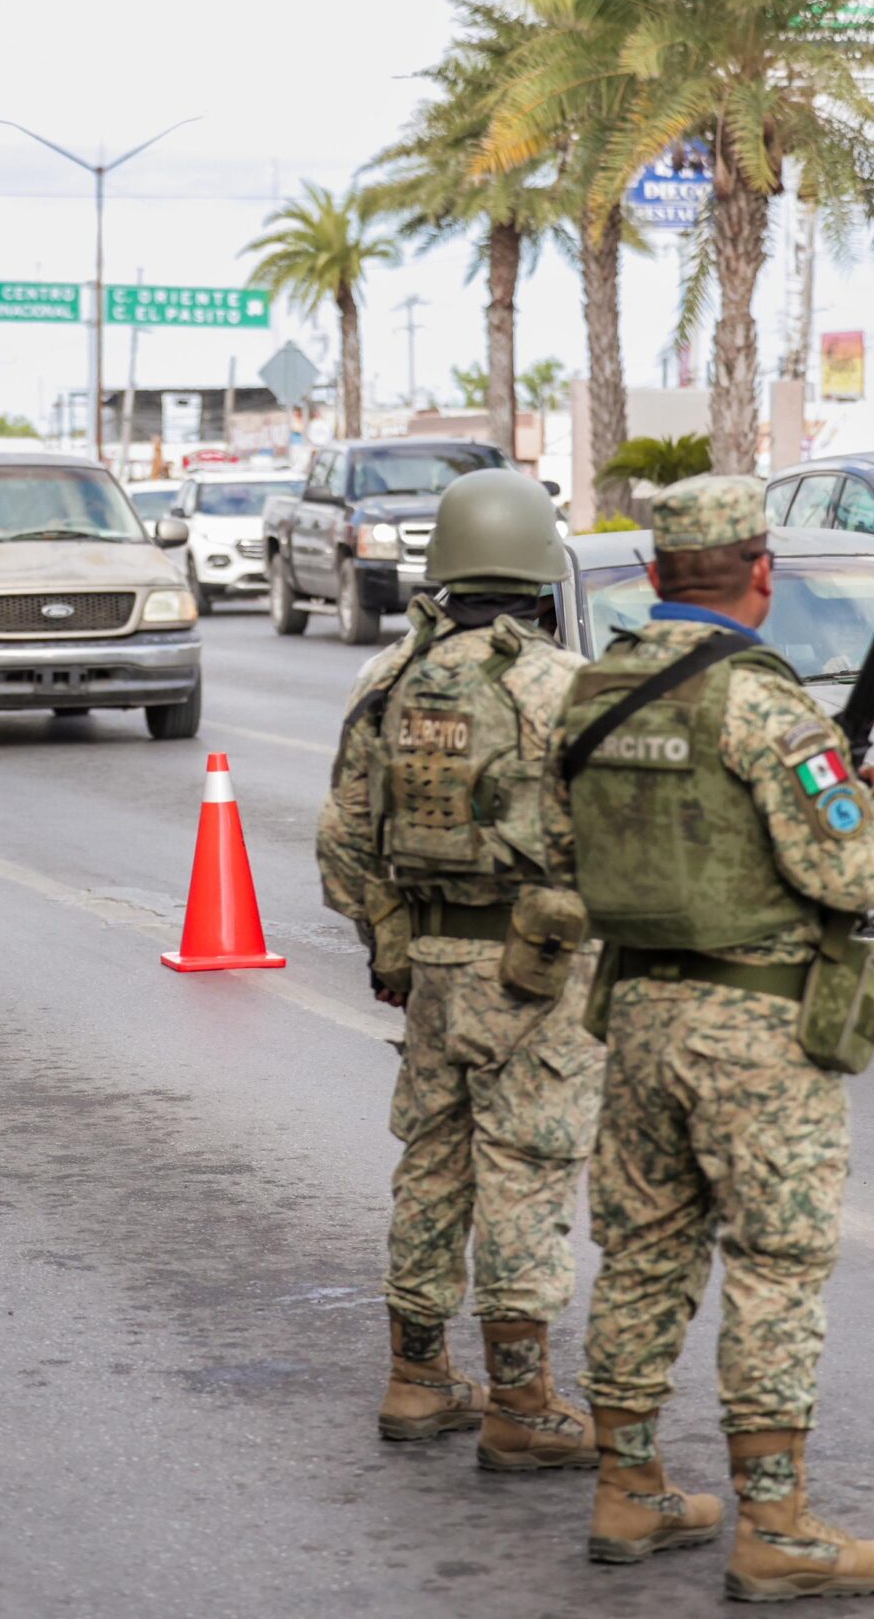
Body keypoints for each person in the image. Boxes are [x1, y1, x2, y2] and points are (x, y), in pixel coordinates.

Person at [560, 476, 874, 1598]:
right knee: (773, 1265)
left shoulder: (591, 691)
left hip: (633, 1012)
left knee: (641, 1252)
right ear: (760, 572)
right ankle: (776, 1526)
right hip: (754, 1025)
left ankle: (627, 1490)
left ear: (656, 574)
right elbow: (851, 869)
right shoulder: (763, 708)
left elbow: (553, 844)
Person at [315, 468, 608, 1470]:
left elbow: (343, 842)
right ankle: (522, 1404)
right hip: (534, 969)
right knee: (522, 1169)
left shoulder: (387, 683)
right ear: (539, 577)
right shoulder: (561, 686)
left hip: (429, 967)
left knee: (431, 1166)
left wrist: (389, 946)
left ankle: (417, 1377)